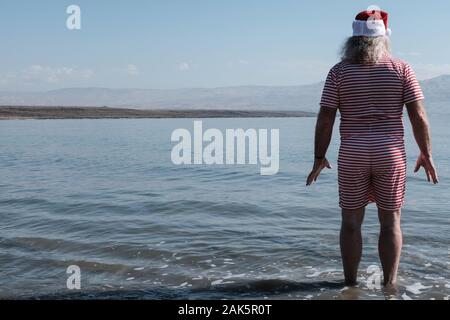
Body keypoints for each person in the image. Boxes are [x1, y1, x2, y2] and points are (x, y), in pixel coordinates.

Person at [306, 10, 438, 287]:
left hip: (353, 152)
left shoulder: (338, 71)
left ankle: (350, 284)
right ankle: (390, 284)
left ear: (354, 39)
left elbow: (326, 118)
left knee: (351, 222)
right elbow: (419, 116)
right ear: (384, 38)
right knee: (390, 223)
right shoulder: (401, 69)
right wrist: (426, 153)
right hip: (389, 152)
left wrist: (319, 156)